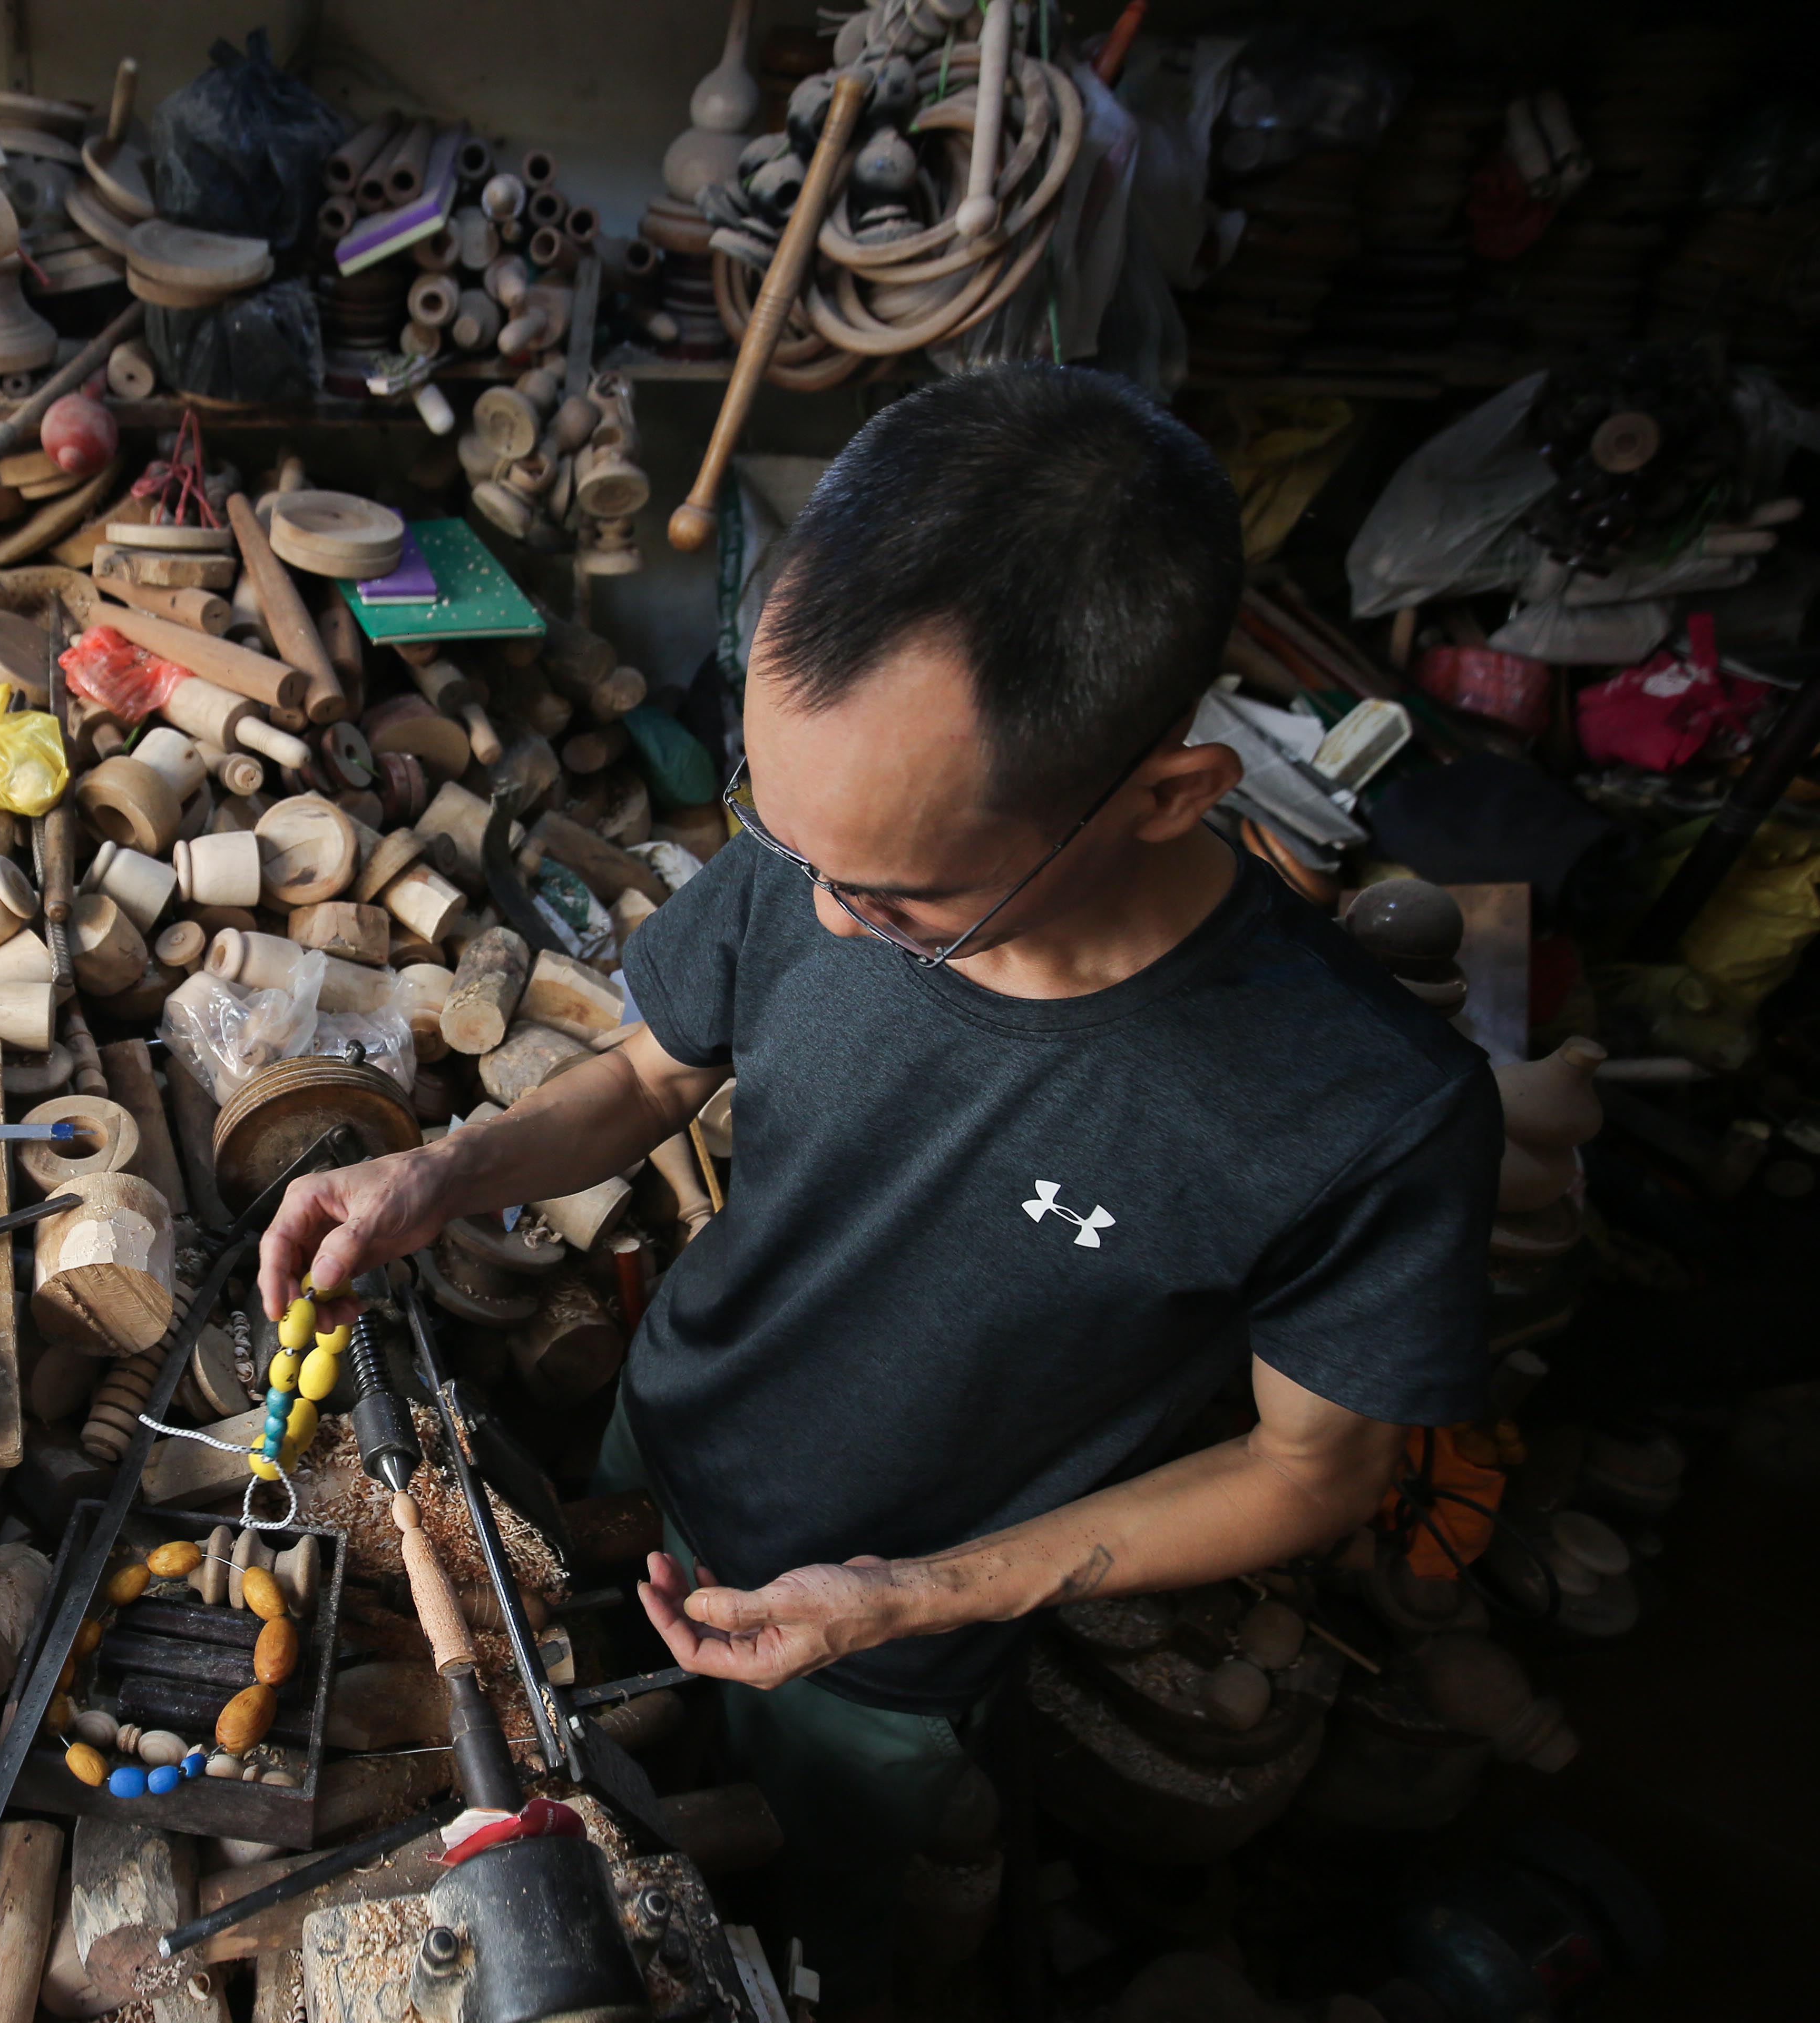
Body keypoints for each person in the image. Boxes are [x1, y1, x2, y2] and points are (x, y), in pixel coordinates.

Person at [259, 365, 1500, 2011]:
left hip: (892, 1643)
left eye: (906, 898)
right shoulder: (825, 849)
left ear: (1165, 799)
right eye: (787, 834)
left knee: (773, 1935)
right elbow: (646, 1076)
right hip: (663, 1434)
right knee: (583, 1773)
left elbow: (1309, 1474)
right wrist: (442, 1168)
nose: (828, 921)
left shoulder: (1354, 1113)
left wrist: (911, 1599)